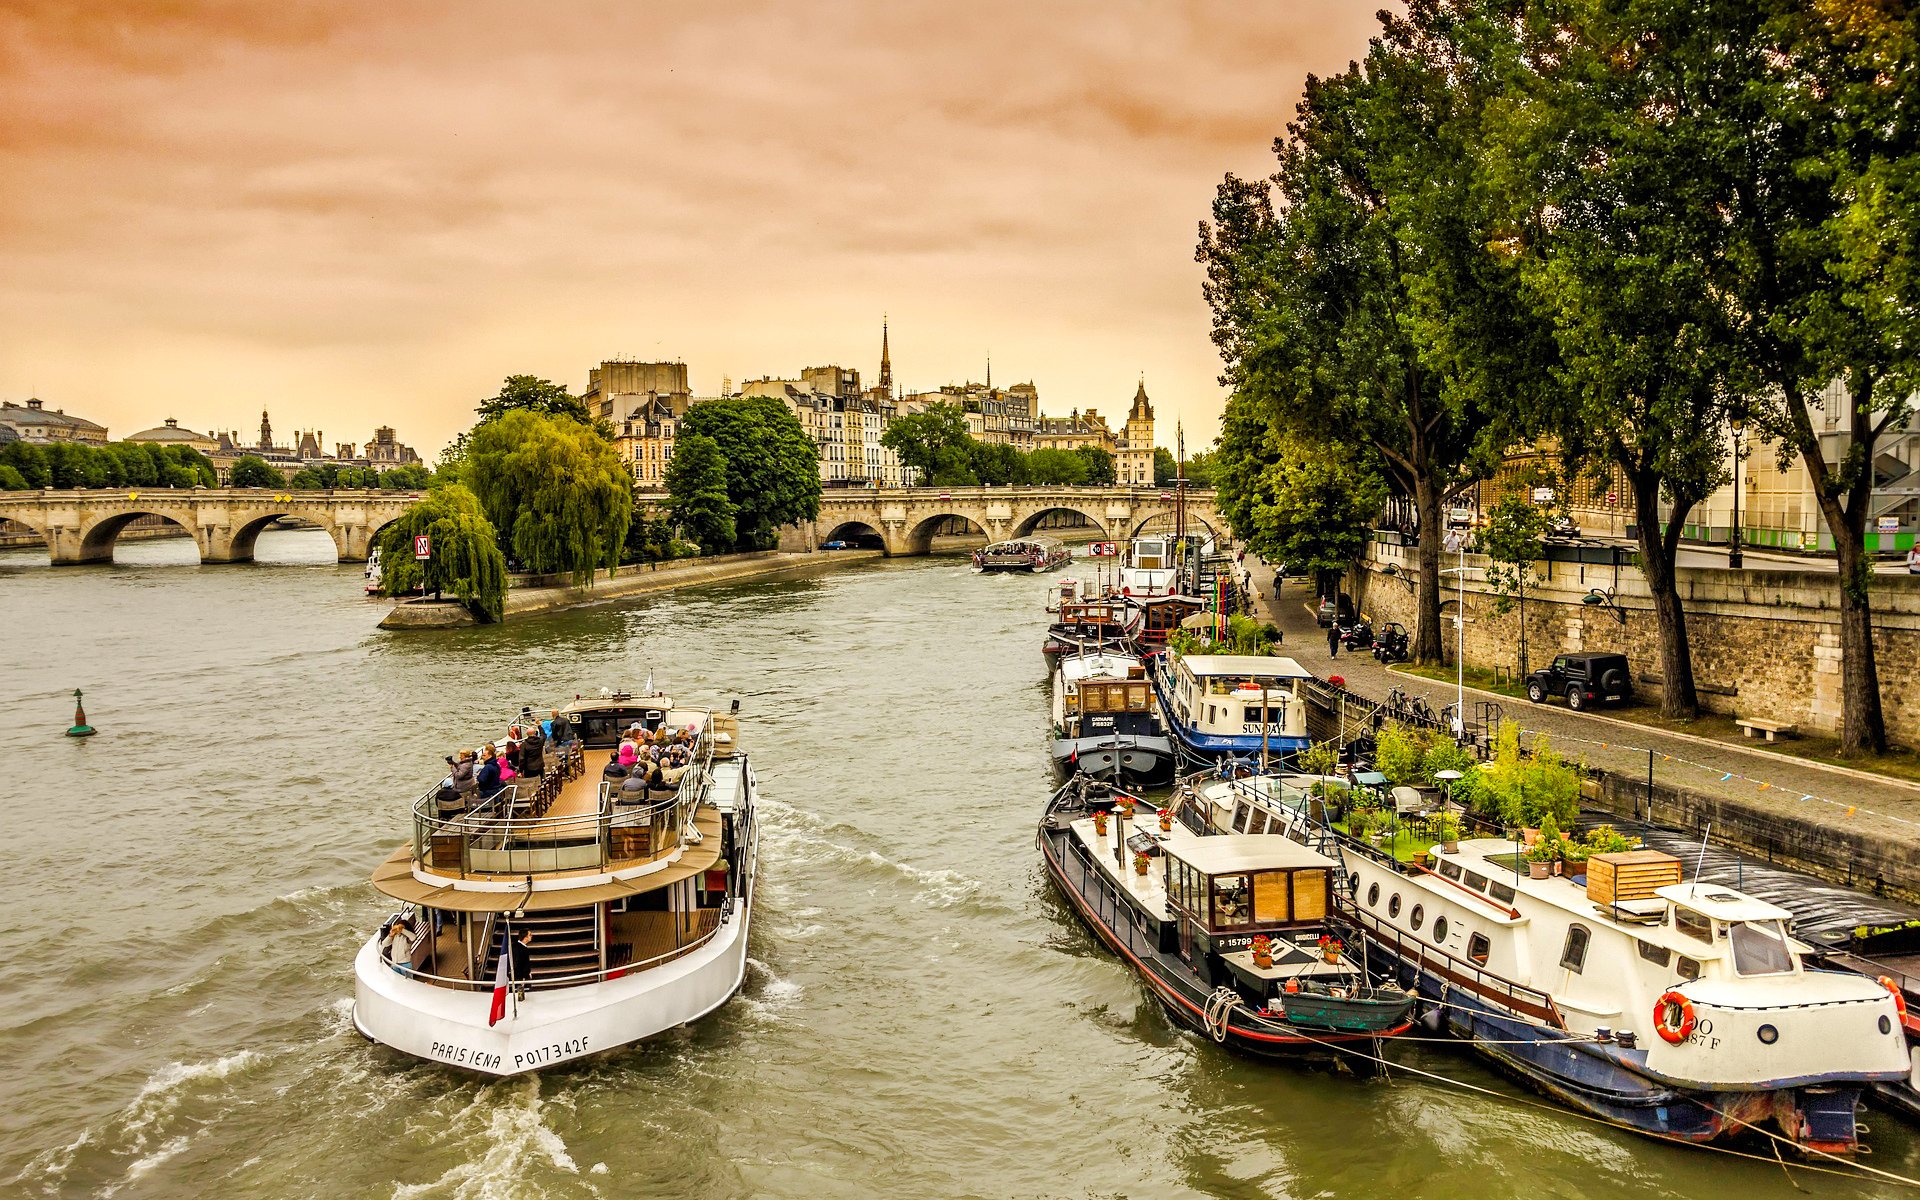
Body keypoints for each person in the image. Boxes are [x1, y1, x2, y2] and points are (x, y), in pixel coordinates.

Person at [510, 927, 534, 999]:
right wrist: (523, 977)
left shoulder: (517, 946)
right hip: (520, 977)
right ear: (525, 937)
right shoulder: (518, 948)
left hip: (522, 975)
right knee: (521, 995)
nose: (531, 936)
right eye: (530, 935)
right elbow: (517, 963)